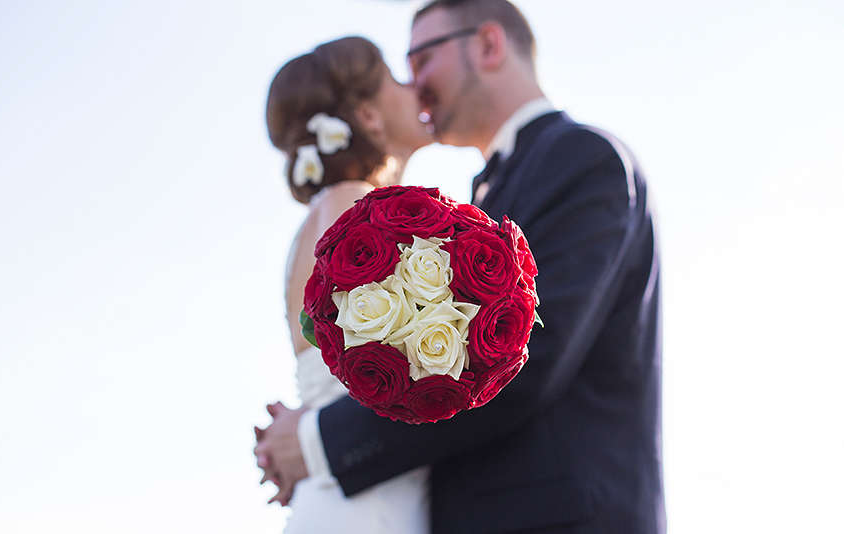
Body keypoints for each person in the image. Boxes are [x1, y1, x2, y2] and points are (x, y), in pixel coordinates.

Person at [257, 1, 665, 532]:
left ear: (488, 46)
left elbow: (524, 355)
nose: (415, 83)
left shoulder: (581, 157)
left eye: (422, 59)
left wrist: (318, 440)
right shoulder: (461, 203)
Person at [255, 36, 432, 533]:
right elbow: (383, 350)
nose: (412, 84)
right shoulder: (352, 204)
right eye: (395, 79)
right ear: (368, 115)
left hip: (357, 485)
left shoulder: (332, 205)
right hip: (367, 502)